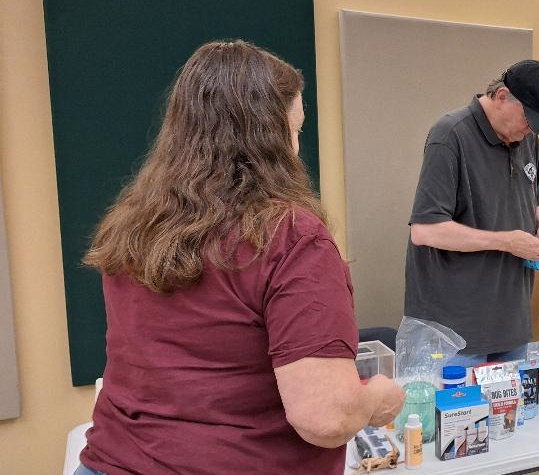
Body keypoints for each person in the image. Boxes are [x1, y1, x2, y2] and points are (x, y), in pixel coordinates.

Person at [77, 40, 404, 475]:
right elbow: (327, 417)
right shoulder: (290, 237)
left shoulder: (135, 226)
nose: (296, 145)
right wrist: (376, 399)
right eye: (296, 128)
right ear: (270, 135)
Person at [405, 60, 539, 367]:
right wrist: (507, 242)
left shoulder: (526, 139)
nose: (531, 129)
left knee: (512, 417)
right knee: (454, 415)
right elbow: (425, 230)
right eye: (528, 119)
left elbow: (536, 197)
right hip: (455, 333)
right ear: (502, 96)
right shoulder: (449, 135)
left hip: (510, 325)